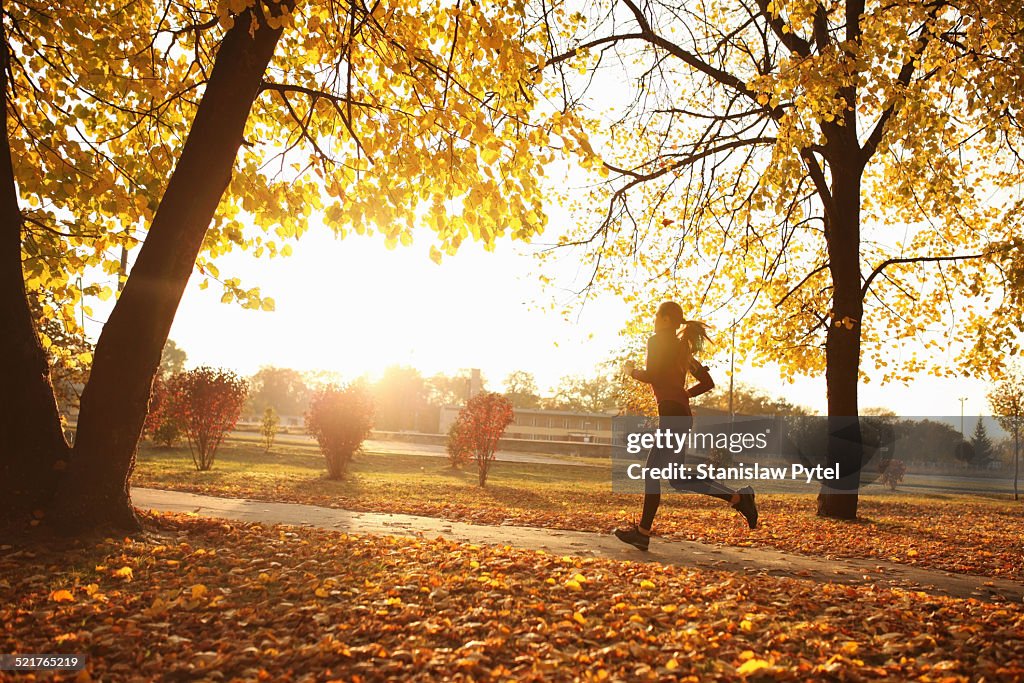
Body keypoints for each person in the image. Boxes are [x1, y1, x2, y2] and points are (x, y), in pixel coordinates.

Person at [614, 302, 758, 551]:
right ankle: (739, 498)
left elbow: (652, 374)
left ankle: (643, 533)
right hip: (679, 413)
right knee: (677, 479)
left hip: (673, 415)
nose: (655, 320)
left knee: (652, 472)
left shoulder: (658, 340)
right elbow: (707, 381)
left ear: (667, 319)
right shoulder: (682, 350)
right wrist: (684, 395)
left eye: (657, 316)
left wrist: (631, 371)